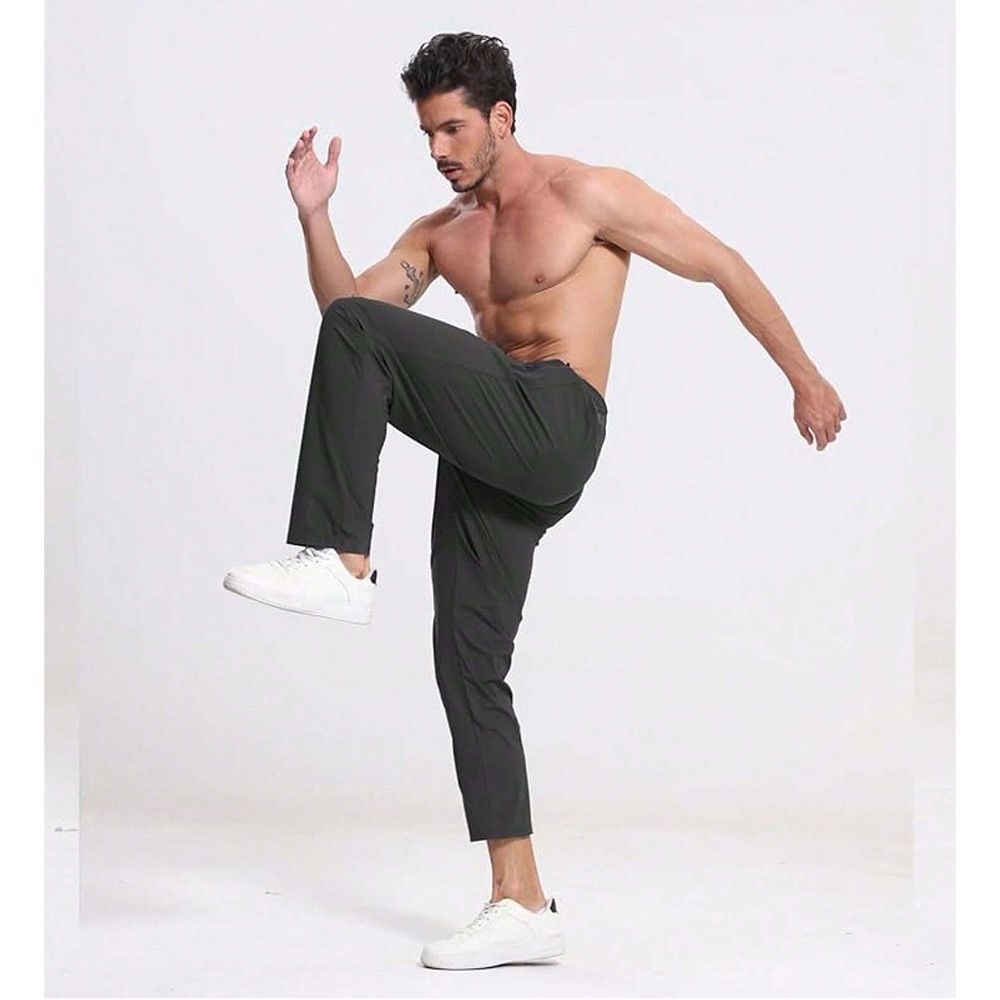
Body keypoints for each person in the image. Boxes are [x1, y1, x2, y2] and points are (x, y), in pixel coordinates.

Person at [223, 31, 848, 970]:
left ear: (501, 118)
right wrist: (315, 216)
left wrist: (804, 377)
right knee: (467, 659)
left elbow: (720, 262)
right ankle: (520, 899)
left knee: (364, 338)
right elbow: (348, 321)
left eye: (453, 129)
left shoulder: (587, 194)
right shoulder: (441, 234)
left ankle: (343, 561)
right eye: (427, 134)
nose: (439, 150)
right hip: (490, 444)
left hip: (557, 418)